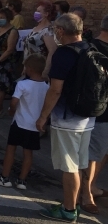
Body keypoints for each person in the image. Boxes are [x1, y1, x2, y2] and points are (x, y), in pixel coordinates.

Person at [36, 13, 95, 222]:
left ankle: (69, 210)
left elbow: (55, 90)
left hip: (67, 118)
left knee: (68, 167)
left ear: (61, 31)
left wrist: (43, 116)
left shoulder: (64, 54)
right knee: (78, 164)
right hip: (88, 117)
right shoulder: (90, 48)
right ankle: (73, 204)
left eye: (55, 30)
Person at [0, 54, 48, 190]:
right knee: (28, 153)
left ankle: (5, 177)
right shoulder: (46, 87)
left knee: (11, 149)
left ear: (29, 69)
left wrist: (11, 110)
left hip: (19, 122)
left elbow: (14, 101)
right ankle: (22, 180)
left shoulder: (22, 84)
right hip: (34, 125)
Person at [81, 15, 108, 214]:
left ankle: (92, 185)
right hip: (99, 110)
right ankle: (85, 194)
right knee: (94, 152)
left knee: (103, 150)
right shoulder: (92, 49)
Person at [23, 1, 58, 79]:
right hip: (30, 68)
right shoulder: (35, 28)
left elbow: (52, 51)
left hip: (39, 70)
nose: (36, 13)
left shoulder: (48, 30)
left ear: (46, 14)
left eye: (39, 11)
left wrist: (46, 70)